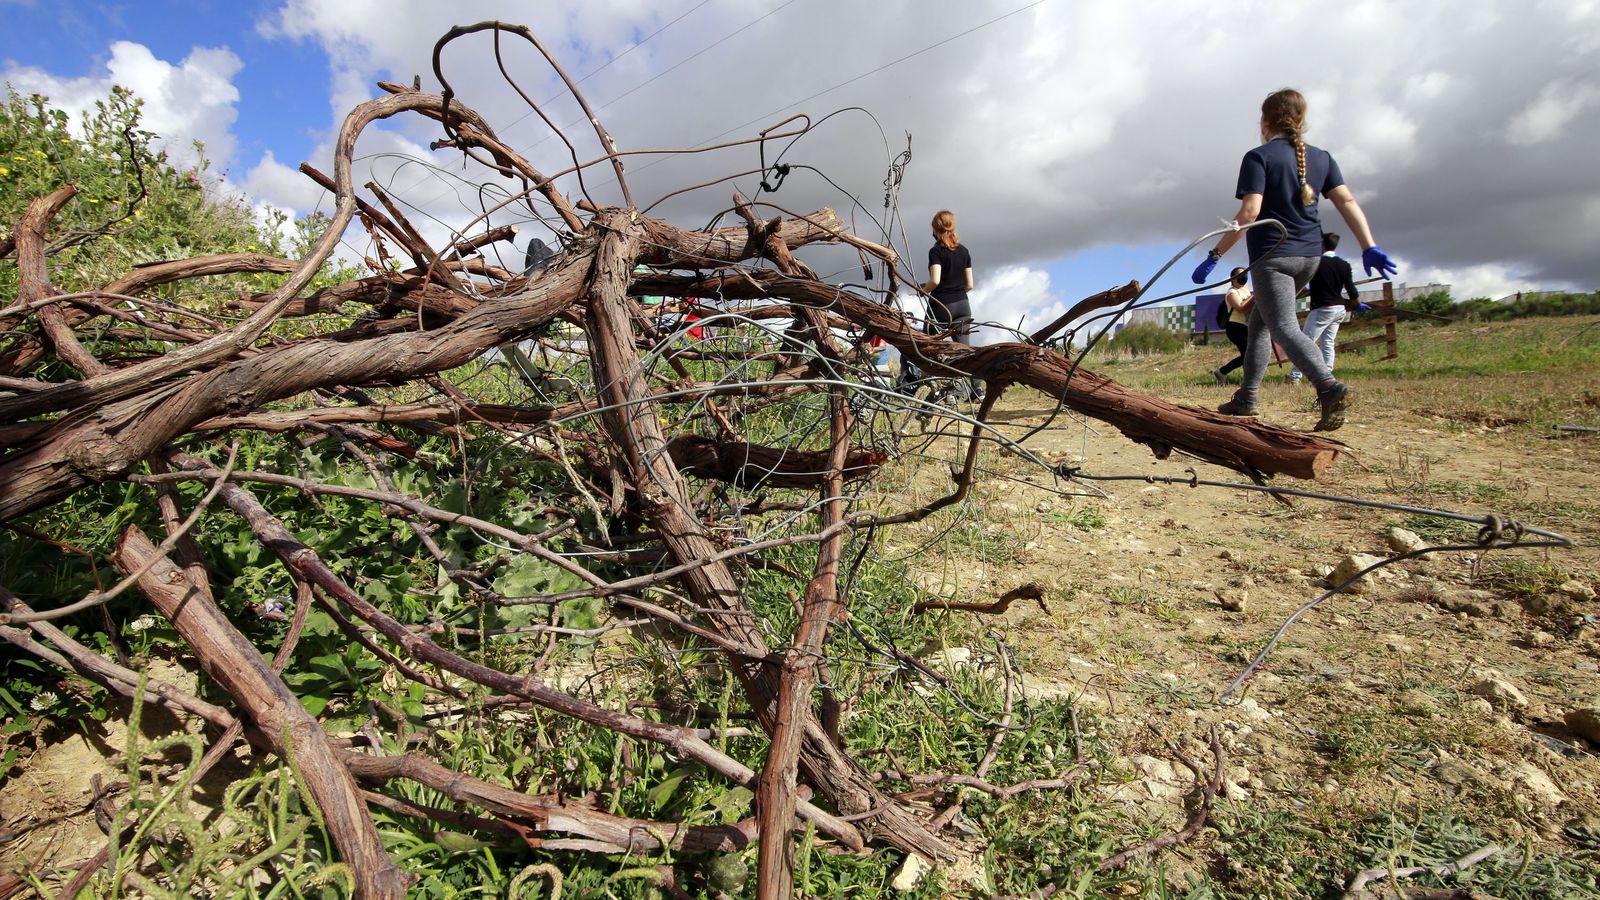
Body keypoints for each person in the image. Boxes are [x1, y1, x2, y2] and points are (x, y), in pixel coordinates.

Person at [1191, 88, 1397, 431]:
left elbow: (1250, 211)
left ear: (1265, 120)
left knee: (1284, 326)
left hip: (1274, 258)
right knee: (1259, 323)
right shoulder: (1322, 158)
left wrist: (1215, 254)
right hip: (1309, 257)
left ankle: (1328, 387)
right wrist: (1368, 245)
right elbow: (1346, 201)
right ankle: (1247, 397)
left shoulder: (1259, 157)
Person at [900, 210, 978, 400]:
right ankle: (977, 388)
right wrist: (956, 292)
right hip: (963, 305)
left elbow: (935, 281)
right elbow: (970, 284)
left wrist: (921, 291)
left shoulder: (936, 251)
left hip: (941, 306)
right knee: (965, 351)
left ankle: (918, 387)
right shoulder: (964, 251)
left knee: (924, 345)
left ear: (935, 228)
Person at [1289, 232, 1366, 384]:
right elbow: (1351, 288)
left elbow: (1301, 282)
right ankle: (1328, 375)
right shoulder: (1344, 264)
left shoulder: (1316, 262)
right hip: (1339, 308)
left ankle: (1295, 376)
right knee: (1328, 342)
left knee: (1306, 342)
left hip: (1322, 308)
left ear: (1321, 245)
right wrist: (1357, 304)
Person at [1212, 267, 1254, 384]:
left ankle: (1224, 372)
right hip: (1235, 327)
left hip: (1245, 326)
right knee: (1248, 354)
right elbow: (1240, 307)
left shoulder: (1246, 291)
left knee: (1248, 354)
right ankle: (1224, 372)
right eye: (1242, 274)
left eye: (1246, 274)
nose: (1244, 276)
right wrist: (1253, 296)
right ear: (1233, 278)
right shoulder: (1232, 292)